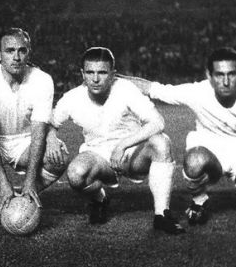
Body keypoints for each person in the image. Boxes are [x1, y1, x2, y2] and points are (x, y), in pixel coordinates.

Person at [120, 47, 236, 225]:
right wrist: (114, 78)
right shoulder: (198, 92)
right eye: (219, 75)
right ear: (209, 75)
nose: (225, 81)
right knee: (194, 161)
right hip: (209, 150)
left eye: (231, 74)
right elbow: (152, 88)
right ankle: (199, 201)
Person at [47, 47, 185, 234]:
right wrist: (51, 138)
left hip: (132, 154)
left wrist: (122, 145)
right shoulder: (72, 98)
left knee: (161, 142)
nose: (95, 79)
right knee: (75, 174)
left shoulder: (126, 89)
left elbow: (157, 122)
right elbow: (50, 123)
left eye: (102, 72)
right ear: (82, 73)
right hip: (99, 158)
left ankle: (162, 215)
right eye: (90, 72)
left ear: (112, 74)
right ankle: (99, 200)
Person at [0, 27, 66, 226]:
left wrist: (30, 181)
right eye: (9, 51)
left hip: (25, 142)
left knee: (58, 158)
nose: (16, 57)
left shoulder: (43, 80)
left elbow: (37, 135)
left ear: (29, 52)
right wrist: (2, 184)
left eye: (22, 50)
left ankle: (25, 197)